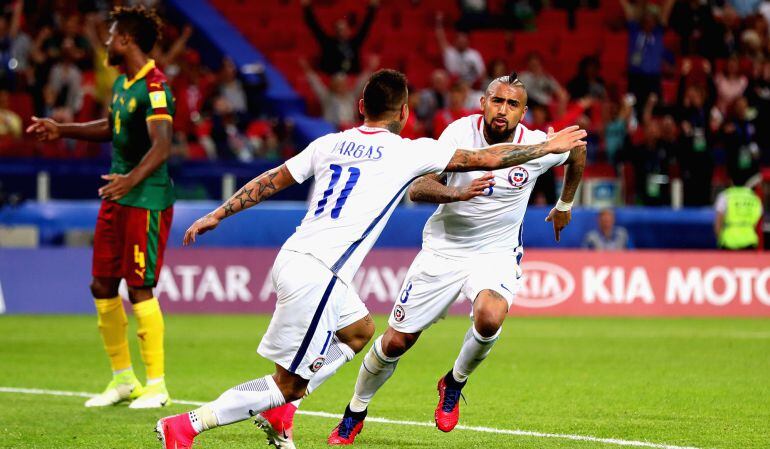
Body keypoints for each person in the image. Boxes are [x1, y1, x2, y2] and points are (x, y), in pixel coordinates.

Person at [155, 69, 587, 449]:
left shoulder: (330, 142)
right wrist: (547, 147)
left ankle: (282, 412)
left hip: (295, 256)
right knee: (287, 384)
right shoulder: (409, 151)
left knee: (361, 331)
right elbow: (486, 158)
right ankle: (188, 425)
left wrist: (219, 212)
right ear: (405, 113)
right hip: (322, 272)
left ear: (361, 105)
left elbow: (270, 180)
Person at [323, 73, 587, 444]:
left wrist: (565, 204)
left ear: (523, 112)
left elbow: (577, 149)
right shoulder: (457, 135)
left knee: (491, 316)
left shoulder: (538, 144)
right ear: (483, 103)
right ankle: (355, 410)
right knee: (396, 342)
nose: (503, 110)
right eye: (497, 101)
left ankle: (453, 382)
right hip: (444, 249)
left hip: (496, 252)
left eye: (513, 104)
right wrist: (457, 195)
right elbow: (418, 187)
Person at [26, 6, 175, 409]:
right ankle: (124, 380)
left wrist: (131, 179)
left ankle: (157, 385)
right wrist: (63, 128)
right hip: (118, 195)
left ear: (126, 40)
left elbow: (162, 145)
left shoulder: (156, 86)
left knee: (139, 286)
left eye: (110, 37)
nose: (106, 43)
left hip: (146, 198)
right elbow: (112, 128)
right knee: (101, 285)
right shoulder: (123, 83)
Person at [302, 0, 379, 74]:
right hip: (331, 81)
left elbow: (366, 25)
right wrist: (306, 6)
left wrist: (373, 7)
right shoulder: (328, 43)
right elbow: (314, 27)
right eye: (338, 29)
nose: (341, 31)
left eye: (343, 29)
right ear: (335, 31)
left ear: (348, 30)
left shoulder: (355, 42)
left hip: (352, 81)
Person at [435, 13, 486, 87]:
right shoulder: (449, 52)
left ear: (468, 41)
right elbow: (440, 39)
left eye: (463, 40)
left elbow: (482, 73)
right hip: (453, 86)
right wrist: (438, 22)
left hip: (471, 85)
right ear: (455, 41)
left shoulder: (474, 54)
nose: (461, 42)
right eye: (459, 39)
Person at [714, 175, 763, 250]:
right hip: (750, 241)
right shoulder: (754, 197)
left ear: (731, 181)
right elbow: (758, 219)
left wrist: (720, 240)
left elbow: (718, 222)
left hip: (728, 242)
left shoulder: (725, 196)